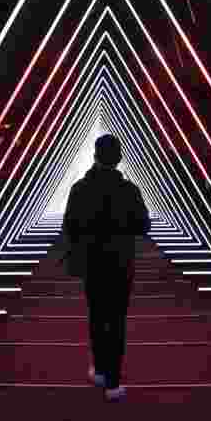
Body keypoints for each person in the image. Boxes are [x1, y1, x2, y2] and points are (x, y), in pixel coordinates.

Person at [62, 133, 150, 402]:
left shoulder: (80, 188)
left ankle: (100, 369)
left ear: (95, 156)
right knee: (117, 319)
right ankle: (113, 381)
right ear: (119, 158)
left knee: (97, 316)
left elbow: (69, 227)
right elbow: (143, 226)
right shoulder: (129, 190)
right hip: (121, 263)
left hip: (92, 263)